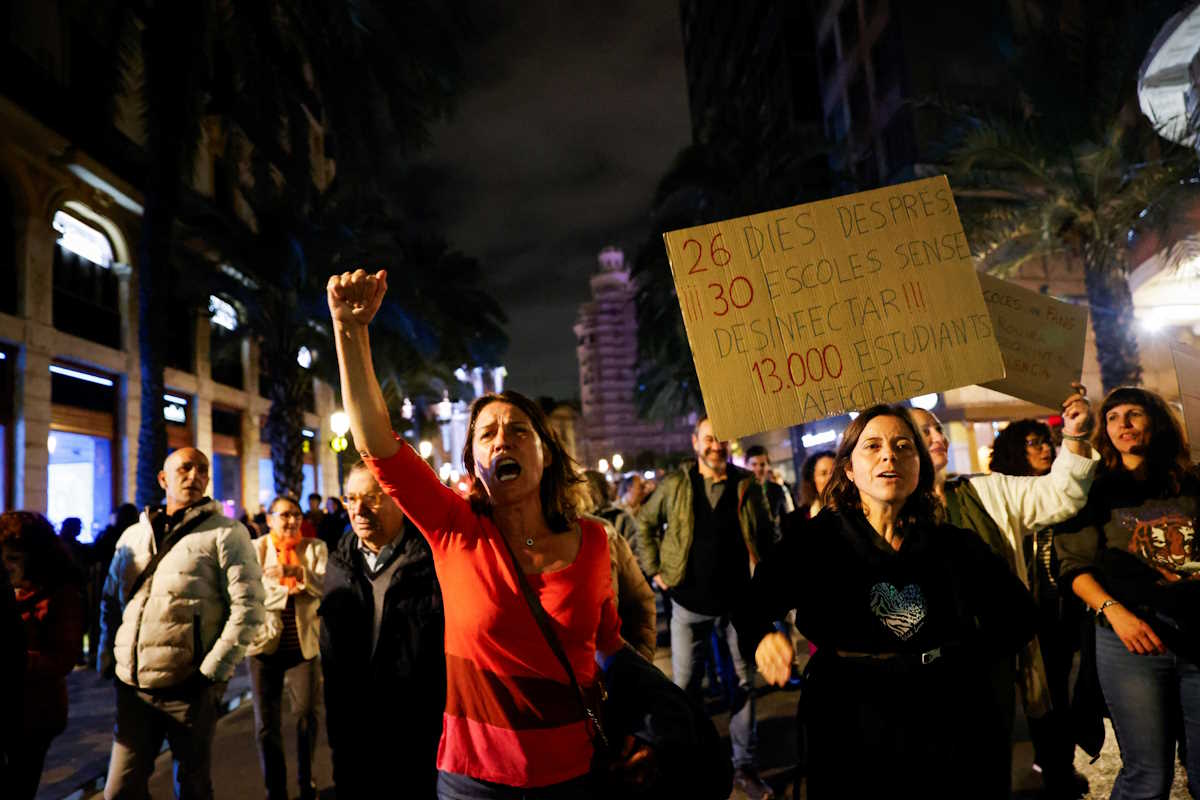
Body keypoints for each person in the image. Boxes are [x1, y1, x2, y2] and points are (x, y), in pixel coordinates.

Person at [328, 269, 642, 799]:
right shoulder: (454, 530)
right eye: (487, 433)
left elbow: (608, 644)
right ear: (473, 462)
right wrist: (349, 331)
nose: (504, 441)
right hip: (474, 780)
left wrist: (643, 715)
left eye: (520, 430)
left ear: (546, 452)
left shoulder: (594, 541)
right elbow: (376, 441)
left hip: (577, 774)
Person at [738, 404, 1037, 798]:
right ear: (848, 468)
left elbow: (1017, 616)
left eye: (902, 446)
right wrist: (763, 635)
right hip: (847, 717)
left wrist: (966, 663)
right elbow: (752, 602)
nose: (888, 456)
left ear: (919, 467)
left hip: (941, 716)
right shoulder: (817, 541)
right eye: (872, 446)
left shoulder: (953, 545)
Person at [909, 393, 1096, 798]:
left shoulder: (985, 493)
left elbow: (1060, 494)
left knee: (989, 766)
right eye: (922, 432)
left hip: (990, 663)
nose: (936, 437)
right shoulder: (886, 512)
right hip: (922, 672)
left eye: (937, 430)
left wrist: (1076, 436)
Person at [1055, 386, 1200, 798]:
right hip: (1130, 639)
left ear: (1156, 421)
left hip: (1195, 631)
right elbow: (1073, 567)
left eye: (1134, 414)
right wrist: (1116, 612)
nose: (1124, 424)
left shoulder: (1191, 482)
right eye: (1114, 417)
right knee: (1148, 775)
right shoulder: (1094, 488)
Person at [99, 447, 266, 800]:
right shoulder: (133, 535)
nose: (194, 475)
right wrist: (108, 658)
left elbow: (249, 608)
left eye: (202, 469)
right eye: (184, 468)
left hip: (189, 689)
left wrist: (211, 672)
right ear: (163, 479)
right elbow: (111, 601)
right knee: (119, 790)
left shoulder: (227, 533)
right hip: (134, 688)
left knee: (192, 786)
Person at [636, 416, 775, 800]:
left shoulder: (747, 485)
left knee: (745, 685)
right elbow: (644, 522)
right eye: (710, 439)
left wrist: (768, 582)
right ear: (695, 442)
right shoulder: (677, 485)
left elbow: (767, 535)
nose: (717, 446)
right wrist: (656, 572)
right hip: (688, 605)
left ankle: (744, 767)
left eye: (724, 439)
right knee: (684, 689)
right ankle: (691, 764)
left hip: (738, 606)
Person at [319, 462, 445, 798]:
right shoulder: (338, 564)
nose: (358, 509)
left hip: (415, 736)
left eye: (372, 498)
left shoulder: (432, 564)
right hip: (353, 735)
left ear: (399, 500)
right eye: (351, 498)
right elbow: (331, 656)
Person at [989, 419, 1091, 796]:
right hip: (1013, 616)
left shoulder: (1062, 494)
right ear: (1015, 448)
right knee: (1018, 701)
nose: (1045, 449)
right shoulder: (999, 494)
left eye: (1047, 442)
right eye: (1034, 442)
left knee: (1055, 698)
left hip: (1055, 614)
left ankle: (1058, 767)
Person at [0, 511, 85, 799]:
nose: (6, 566)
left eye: (14, 558)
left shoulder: (60, 595)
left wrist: (17, 661)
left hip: (33, 715)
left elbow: (63, 657)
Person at [247, 496, 327, 800]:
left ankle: (306, 782)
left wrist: (296, 574)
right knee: (266, 726)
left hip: (303, 647)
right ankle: (275, 790)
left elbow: (324, 585)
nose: (291, 521)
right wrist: (288, 586)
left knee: (307, 714)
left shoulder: (315, 549)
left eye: (296, 515)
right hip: (263, 645)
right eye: (284, 515)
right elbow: (248, 594)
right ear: (269, 519)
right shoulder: (255, 551)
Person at [583, 470, 657, 661]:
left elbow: (639, 596)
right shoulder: (568, 528)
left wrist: (644, 653)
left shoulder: (618, 520)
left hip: (622, 624)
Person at [745, 445, 795, 538]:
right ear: (746, 465)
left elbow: (785, 519)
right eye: (754, 464)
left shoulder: (777, 489)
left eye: (762, 464)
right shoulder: (742, 492)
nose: (759, 468)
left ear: (768, 465)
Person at [798, 450, 835, 520]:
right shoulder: (802, 518)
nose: (831, 477)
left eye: (834, 471)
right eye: (823, 473)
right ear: (812, 480)